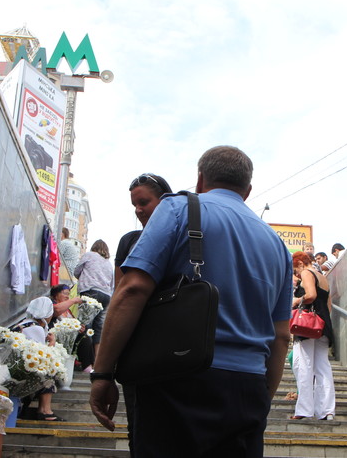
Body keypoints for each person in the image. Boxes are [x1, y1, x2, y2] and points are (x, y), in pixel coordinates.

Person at [90, 146, 293, 457]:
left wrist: (103, 372)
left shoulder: (177, 209)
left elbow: (132, 289)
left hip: (178, 379)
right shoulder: (277, 244)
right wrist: (261, 398)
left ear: (200, 179)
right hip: (248, 387)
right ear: (248, 190)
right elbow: (281, 336)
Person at [113, 172, 173, 456]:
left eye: (144, 202)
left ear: (165, 201)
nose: (138, 210)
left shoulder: (186, 237)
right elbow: (119, 295)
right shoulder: (128, 241)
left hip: (175, 345)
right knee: (138, 428)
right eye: (135, 205)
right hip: (137, 346)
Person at [290, 251, 336, 421]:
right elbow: (328, 304)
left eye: (295, 270)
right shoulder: (322, 277)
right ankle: (327, 411)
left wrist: (295, 301)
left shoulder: (307, 273)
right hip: (323, 325)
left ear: (301, 263)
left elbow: (311, 296)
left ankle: (304, 410)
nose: (296, 274)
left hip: (307, 326)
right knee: (323, 367)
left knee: (304, 365)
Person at [16, 296, 59, 421]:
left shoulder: (24, 323)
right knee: (49, 372)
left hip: (20, 365)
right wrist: (52, 343)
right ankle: (45, 410)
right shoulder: (36, 328)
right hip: (24, 370)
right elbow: (43, 357)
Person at [73, 240, 114, 352]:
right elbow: (111, 283)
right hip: (106, 295)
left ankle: (85, 361)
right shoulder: (108, 263)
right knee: (98, 328)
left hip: (90, 292)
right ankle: (96, 361)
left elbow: (76, 271)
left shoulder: (89, 255)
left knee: (85, 325)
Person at [48, 284, 95, 375]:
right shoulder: (51, 304)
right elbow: (56, 311)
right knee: (83, 338)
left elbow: (74, 323)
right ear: (56, 295)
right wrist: (73, 300)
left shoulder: (67, 310)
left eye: (69, 294)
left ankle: (89, 365)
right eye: (65, 293)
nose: (67, 296)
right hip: (57, 337)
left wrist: (79, 327)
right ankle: (87, 366)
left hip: (69, 338)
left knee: (85, 335)